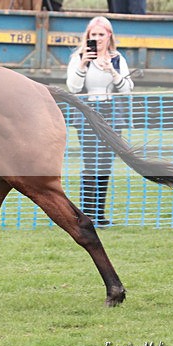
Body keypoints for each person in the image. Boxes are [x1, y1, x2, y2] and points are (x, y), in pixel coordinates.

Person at [66, 16, 134, 226]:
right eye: (93, 35)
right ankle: (86, 215)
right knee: (91, 163)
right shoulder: (78, 57)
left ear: (109, 36)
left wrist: (112, 72)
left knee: (105, 164)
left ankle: (99, 215)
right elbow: (73, 88)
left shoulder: (117, 58)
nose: (97, 38)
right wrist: (84, 63)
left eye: (101, 34)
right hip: (88, 112)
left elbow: (127, 88)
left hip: (111, 112)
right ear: (88, 36)